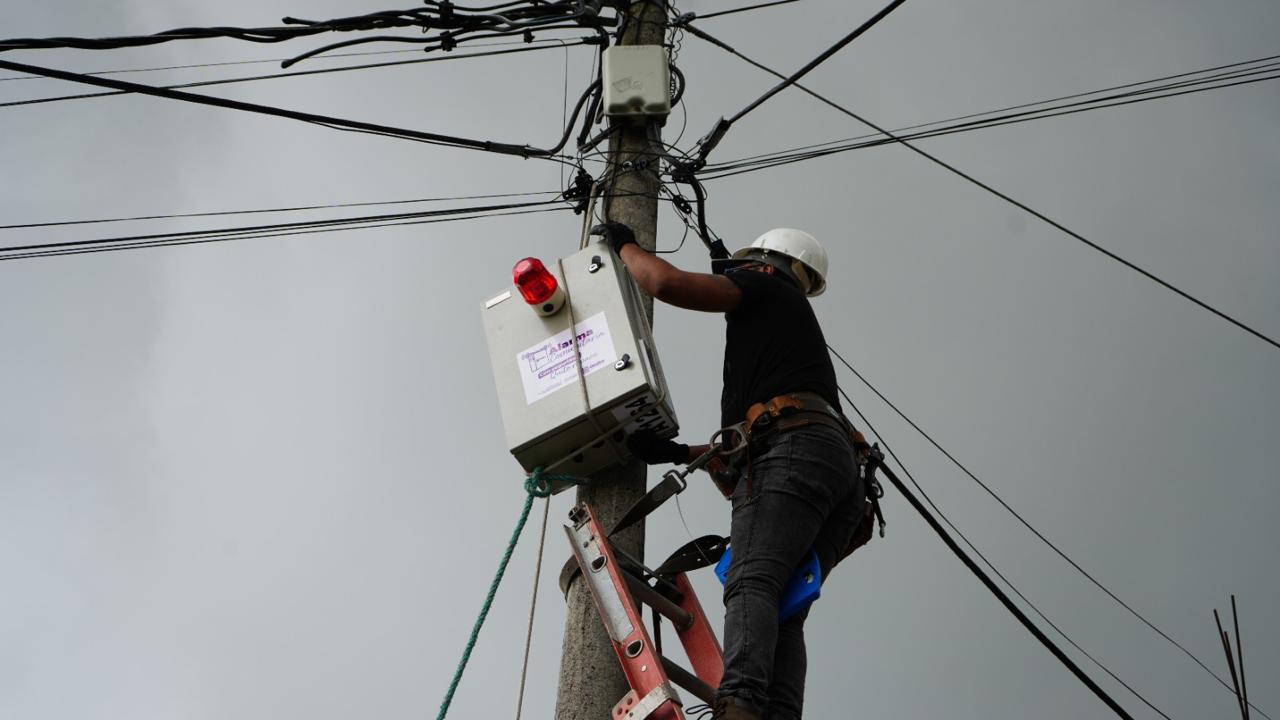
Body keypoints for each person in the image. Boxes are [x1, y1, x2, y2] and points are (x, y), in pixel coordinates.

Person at [593, 222, 869, 720]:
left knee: (753, 581)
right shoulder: (785, 331)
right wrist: (679, 453)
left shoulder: (766, 286)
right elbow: (751, 436)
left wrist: (623, 244)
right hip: (840, 476)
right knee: (785, 609)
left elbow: (666, 283)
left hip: (798, 451)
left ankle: (739, 706)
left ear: (767, 264)